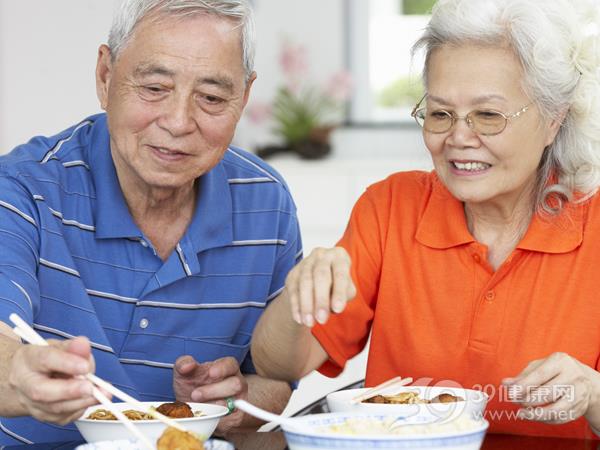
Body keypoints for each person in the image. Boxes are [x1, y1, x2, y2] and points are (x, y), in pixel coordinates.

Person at [251, 0, 600, 440]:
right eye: (439, 113)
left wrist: (594, 394)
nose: (458, 137)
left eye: (488, 116)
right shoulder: (391, 207)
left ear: (554, 119)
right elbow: (277, 363)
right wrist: (298, 298)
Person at [0, 0, 301, 444]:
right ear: (106, 76)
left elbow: (275, 381)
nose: (179, 122)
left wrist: (231, 401)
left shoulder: (265, 202)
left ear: (244, 96)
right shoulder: (24, 188)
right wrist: (22, 376)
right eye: (155, 88)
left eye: (212, 98)